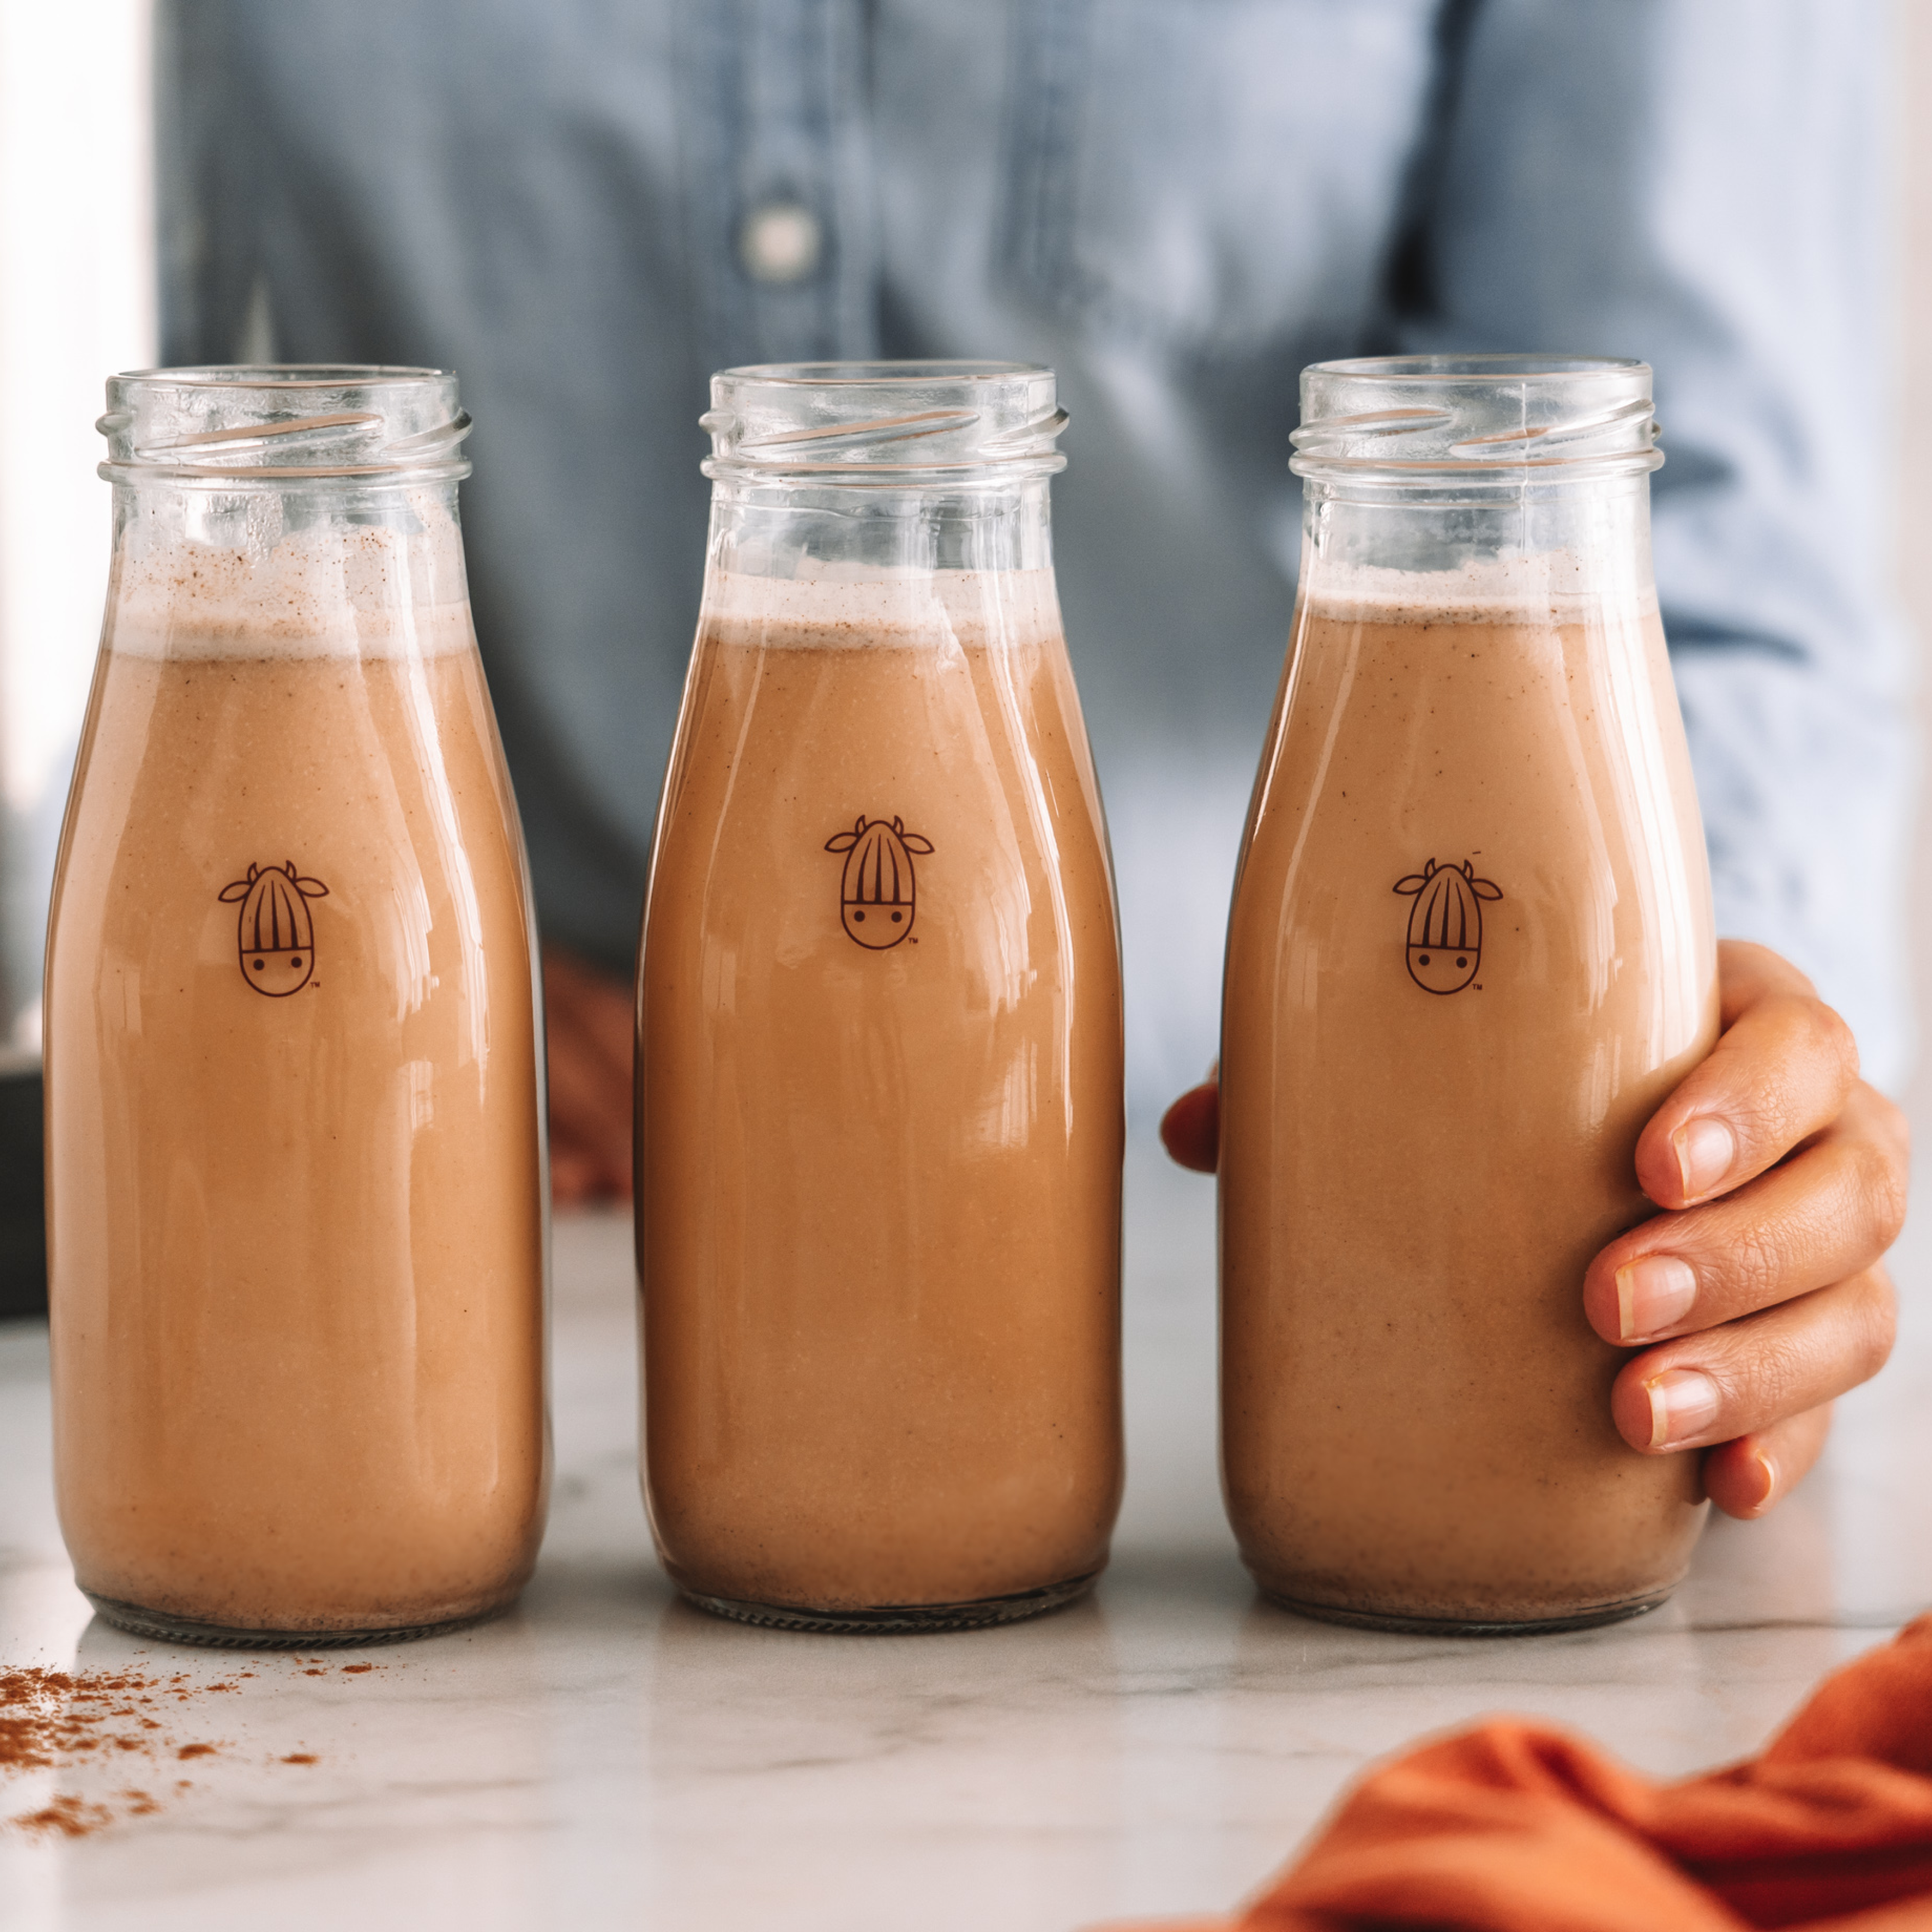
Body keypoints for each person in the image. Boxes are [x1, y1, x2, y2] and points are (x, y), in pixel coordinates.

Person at [156, 0, 1907, 1521]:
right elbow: (147, 471)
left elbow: (1710, 563)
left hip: (1356, 1178)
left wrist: (1696, 1072)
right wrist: (392, 966)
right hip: (501, 1208)